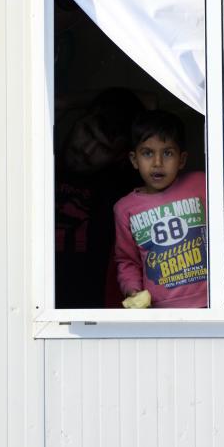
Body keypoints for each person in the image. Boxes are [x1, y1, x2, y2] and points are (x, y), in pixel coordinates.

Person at [55, 88, 144, 308]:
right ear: (77, 120)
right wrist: (71, 102)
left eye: (103, 148)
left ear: (121, 157)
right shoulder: (37, 159)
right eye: (87, 131)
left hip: (80, 314)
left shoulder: (117, 191)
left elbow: (151, 102)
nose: (87, 149)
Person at [113, 111, 208, 308]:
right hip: (160, 311)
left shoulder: (201, 184)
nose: (158, 163)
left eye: (167, 153)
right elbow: (127, 260)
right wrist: (133, 291)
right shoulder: (125, 209)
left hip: (210, 302)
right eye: (147, 153)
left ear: (181, 160)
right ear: (134, 159)